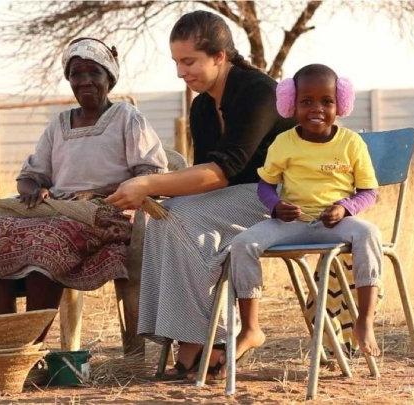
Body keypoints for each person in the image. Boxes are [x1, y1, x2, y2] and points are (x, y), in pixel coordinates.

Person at [105, 10, 294, 379]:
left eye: (189, 61)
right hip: (238, 198)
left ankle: (211, 339)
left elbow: (221, 172)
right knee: (163, 217)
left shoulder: (258, 92)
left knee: (181, 216)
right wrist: (156, 195)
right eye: (177, 62)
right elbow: (203, 176)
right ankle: (189, 337)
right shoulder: (203, 106)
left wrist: (147, 184)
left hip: (280, 199)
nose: (181, 72)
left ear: (220, 56)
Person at [0, 38, 168, 342]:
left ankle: (30, 348)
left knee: (46, 241)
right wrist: (35, 189)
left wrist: (117, 193)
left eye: (93, 73)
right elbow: (31, 176)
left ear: (109, 77)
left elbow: (151, 174)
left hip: (107, 216)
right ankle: (4, 349)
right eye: (76, 74)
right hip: (56, 212)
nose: (84, 81)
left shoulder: (127, 118)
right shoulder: (58, 125)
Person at [229, 63, 382, 358]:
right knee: (242, 243)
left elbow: (369, 192)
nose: (317, 108)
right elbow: (265, 186)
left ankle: (364, 321)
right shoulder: (283, 143)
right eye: (306, 101)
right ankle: (250, 328)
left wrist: (345, 208)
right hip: (293, 223)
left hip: (336, 224)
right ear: (290, 104)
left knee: (369, 233)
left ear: (341, 104)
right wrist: (275, 206)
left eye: (327, 101)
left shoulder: (352, 143)